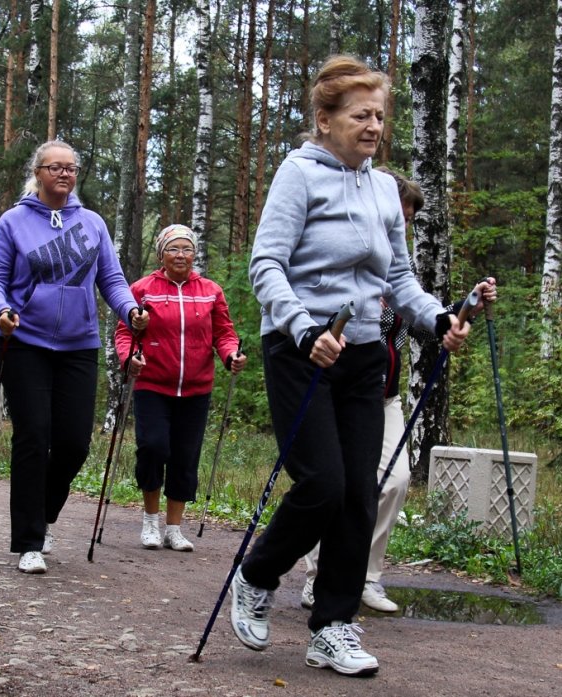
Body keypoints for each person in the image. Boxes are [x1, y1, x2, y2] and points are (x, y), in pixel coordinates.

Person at [232, 55, 498, 676]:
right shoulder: (298, 175)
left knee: (360, 491)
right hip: (302, 350)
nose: (374, 125)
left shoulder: (382, 187)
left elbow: (399, 278)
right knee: (323, 483)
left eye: (379, 115)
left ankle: (333, 626)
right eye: (360, 115)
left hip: (365, 351)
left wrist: (436, 321)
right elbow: (265, 265)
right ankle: (258, 573)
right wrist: (302, 331)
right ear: (324, 120)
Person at [0, 139, 148, 574]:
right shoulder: (14, 222)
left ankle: (44, 512)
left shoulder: (92, 223)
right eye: (55, 167)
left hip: (78, 343)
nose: (64, 174)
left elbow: (111, 277)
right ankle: (30, 541)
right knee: (34, 435)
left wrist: (130, 309)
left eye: (71, 168)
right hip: (24, 340)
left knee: (73, 443)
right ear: (37, 173)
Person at [300, 168, 430, 614]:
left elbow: (418, 310)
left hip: (386, 395)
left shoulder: (399, 270)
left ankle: (366, 576)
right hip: (340, 390)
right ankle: (321, 576)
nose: (403, 226)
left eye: (409, 220)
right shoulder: (352, 261)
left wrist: (455, 314)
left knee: (395, 480)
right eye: (399, 215)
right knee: (339, 483)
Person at [114, 224, 246, 553]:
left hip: (196, 387)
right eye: (174, 249)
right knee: (153, 447)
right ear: (161, 254)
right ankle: (150, 521)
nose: (181, 255)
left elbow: (224, 333)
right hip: (152, 384)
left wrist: (231, 355)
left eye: (187, 249)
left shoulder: (210, 291)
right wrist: (129, 358)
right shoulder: (143, 289)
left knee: (185, 457)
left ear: (195, 254)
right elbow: (124, 332)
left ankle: (174, 528)